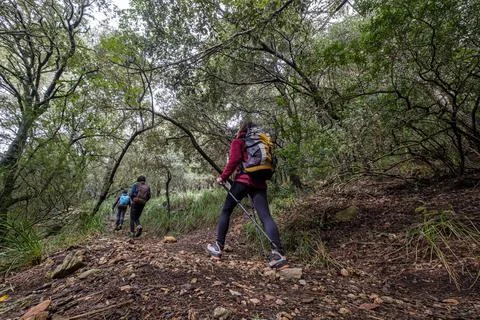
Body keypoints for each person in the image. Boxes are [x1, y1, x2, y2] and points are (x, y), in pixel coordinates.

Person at [207, 121, 289, 270]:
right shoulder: (263, 141)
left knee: (226, 210)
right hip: (260, 183)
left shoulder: (239, 141)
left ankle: (218, 247)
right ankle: (278, 255)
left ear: (241, 129)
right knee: (266, 217)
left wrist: (223, 177)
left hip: (243, 181)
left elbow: (234, 160)